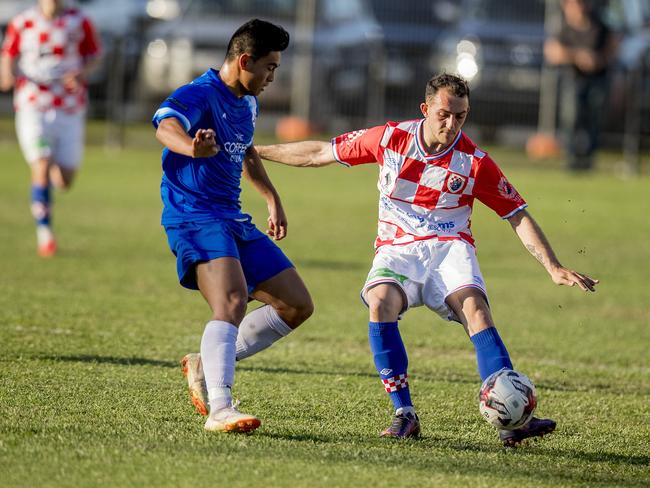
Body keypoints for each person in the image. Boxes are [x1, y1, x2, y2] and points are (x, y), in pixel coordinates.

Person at [255, 73, 599, 446]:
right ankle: (404, 413)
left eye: (461, 116)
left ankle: (512, 422)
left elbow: (516, 213)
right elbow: (321, 152)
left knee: (477, 312)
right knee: (380, 302)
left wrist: (553, 267)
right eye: (444, 114)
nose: (452, 124)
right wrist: (258, 152)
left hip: (450, 248)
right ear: (426, 109)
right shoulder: (390, 139)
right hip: (398, 248)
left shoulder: (475, 163)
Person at [152, 19, 313, 434]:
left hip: (231, 217)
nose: (273, 77)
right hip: (193, 215)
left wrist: (271, 197)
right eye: (270, 68)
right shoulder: (199, 93)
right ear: (244, 60)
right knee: (232, 301)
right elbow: (165, 126)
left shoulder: (248, 103)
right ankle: (220, 408)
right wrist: (192, 146)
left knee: (296, 305)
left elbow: (247, 153)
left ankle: (206, 363)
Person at [0, 0, 101, 257]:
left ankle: (49, 178)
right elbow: (8, 53)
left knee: (64, 180)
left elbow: (94, 56)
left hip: (69, 107)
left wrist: (80, 74)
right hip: (33, 105)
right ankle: (45, 234)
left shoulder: (79, 21)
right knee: (41, 165)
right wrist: (7, 75)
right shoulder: (23, 21)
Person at [544, 0, 618, 171]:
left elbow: (612, 49)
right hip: (573, 80)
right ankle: (572, 158)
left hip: (597, 79)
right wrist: (578, 56)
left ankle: (588, 159)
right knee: (570, 118)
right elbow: (552, 52)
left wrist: (599, 60)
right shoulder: (564, 29)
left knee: (594, 119)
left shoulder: (600, 26)